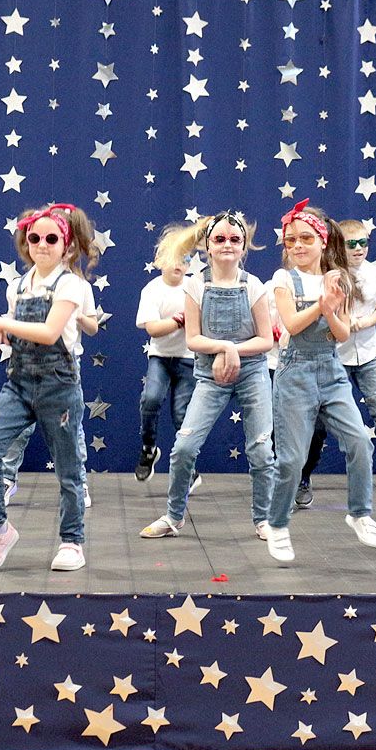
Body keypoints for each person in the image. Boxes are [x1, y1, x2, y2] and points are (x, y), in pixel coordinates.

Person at [0, 203, 99, 572]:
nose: (42, 244)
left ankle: (72, 541)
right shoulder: (18, 285)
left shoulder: (71, 284)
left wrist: (0, 323)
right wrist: (2, 330)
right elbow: (19, 328)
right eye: (35, 237)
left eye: (51, 238)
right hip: (19, 383)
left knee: (69, 471)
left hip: (59, 386)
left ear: (66, 245)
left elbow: (48, 332)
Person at [138, 212, 274, 540]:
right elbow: (193, 339)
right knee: (184, 448)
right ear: (208, 247)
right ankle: (174, 516)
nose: (227, 245)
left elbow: (266, 340)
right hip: (209, 376)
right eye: (220, 239)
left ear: (244, 247)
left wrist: (233, 351)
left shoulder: (253, 285)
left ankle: (264, 519)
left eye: (235, 240)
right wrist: (224, 348)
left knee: (260, 450)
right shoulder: (196, 285)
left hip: (252, 373)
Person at [264, 201, 376, 562]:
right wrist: (322, 303)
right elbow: (291, 324)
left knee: (360, 440)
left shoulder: (339, 279)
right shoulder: (284, 279)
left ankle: (360, 512)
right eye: (291, 240)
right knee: (291, 459)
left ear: (322, 240)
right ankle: (277, 524)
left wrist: (331, 309)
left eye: (305, 238)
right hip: (295, 372)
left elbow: (343, 333)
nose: (297, 246)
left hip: (331, 370)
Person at [295, 220, 376, 508]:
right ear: (340, 245)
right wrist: (344, 324)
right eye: (352, 244)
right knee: (318, 422)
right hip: (335, 356)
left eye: (364, 243)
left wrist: (364, 322)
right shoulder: (329, 275)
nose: (359, 249)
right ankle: (303, 476)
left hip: (367, 354)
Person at [134, 245, 197, 483]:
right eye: (173, 259)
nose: (179, 264)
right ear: (160, 261)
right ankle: (148, 449)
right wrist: (181, 319)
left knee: (183, 415)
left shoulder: (195, 288)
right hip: (160, 357)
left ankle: (188, 468)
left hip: (189, 359)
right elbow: (153, 329)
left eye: (185, 259)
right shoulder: (152, 290)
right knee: (150, 399)